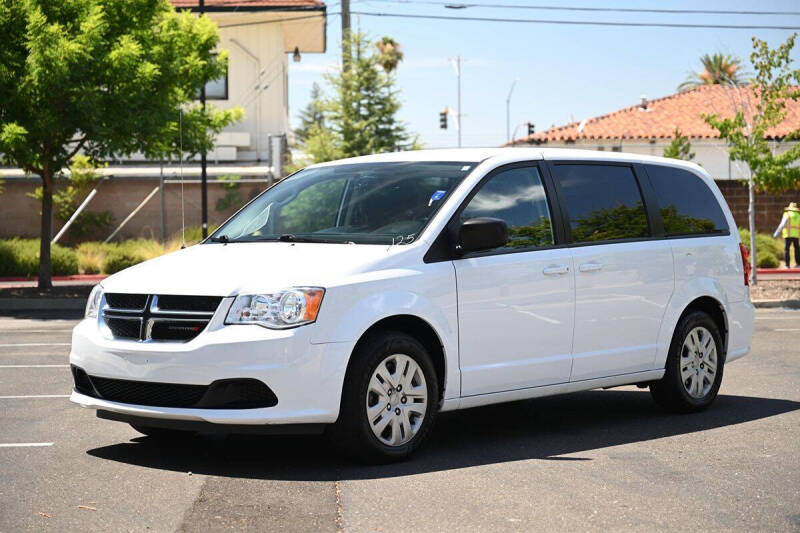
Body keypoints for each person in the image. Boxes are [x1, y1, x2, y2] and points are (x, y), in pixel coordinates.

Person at [773, 202, 800, 268]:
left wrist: (776, 233)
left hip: (788, 235)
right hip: (796, 235)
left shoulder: (787, 214)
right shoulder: (798, 216)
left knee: (786, 250)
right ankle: (798, 264)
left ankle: (787, 265)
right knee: (797, 249)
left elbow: (782, 225)